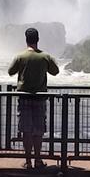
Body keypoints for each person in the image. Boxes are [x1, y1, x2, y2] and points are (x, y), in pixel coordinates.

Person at [7, 28, 60, 169]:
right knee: (39, 129)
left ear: (26, 39)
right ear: (38, 39)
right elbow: (55, 71)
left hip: (24, 97)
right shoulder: (45, 56)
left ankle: (28, 161)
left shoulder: (20, 56)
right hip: (40, 98)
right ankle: (38, 159)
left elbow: (10, 72)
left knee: (26, 129)